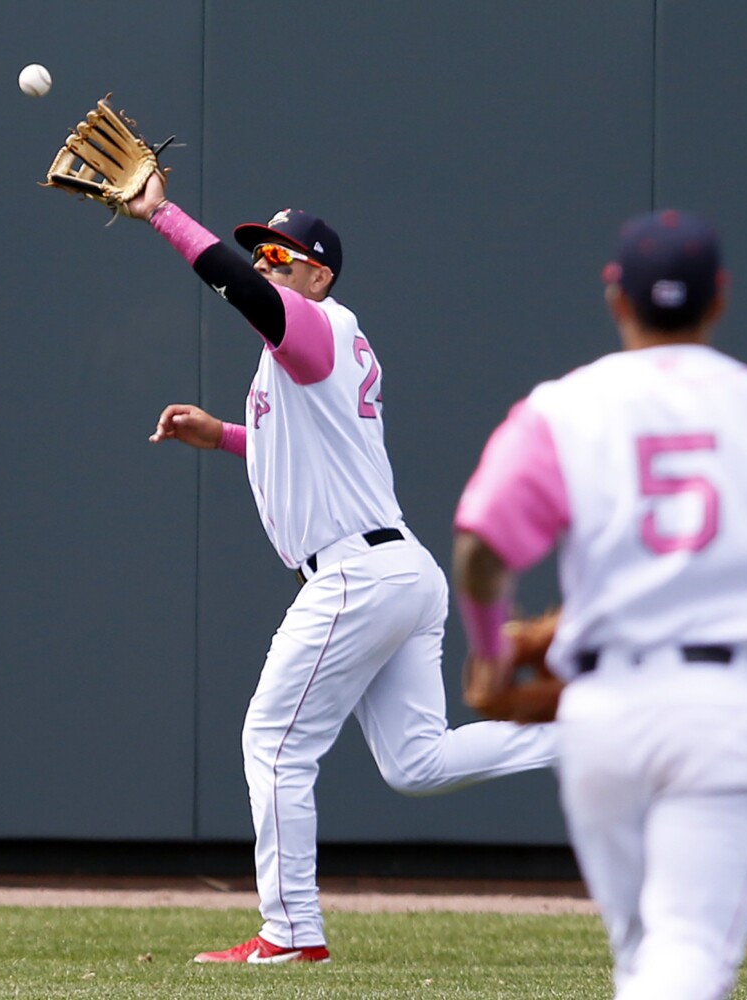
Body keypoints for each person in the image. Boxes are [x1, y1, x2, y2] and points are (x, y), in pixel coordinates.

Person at [119, 173, 562, 964]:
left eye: (281, 256)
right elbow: (302, 454)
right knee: (418, 764)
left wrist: (163, 217)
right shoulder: (310, 354)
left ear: (319, 274)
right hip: (396, 569)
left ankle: (289, 935)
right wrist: (220, 434)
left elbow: (242, 295)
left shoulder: (316, 323)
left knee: (275, 743)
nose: (264, 265)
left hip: (357, 574)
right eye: (259, 253)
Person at [452, 210, 747, 999]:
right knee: (686, 956)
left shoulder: (563, 407)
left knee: (647, 956)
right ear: (719, 299)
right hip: (718, 707)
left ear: (615, 298)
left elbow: (483, 548)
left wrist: (491, 650)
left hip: (602, 713)